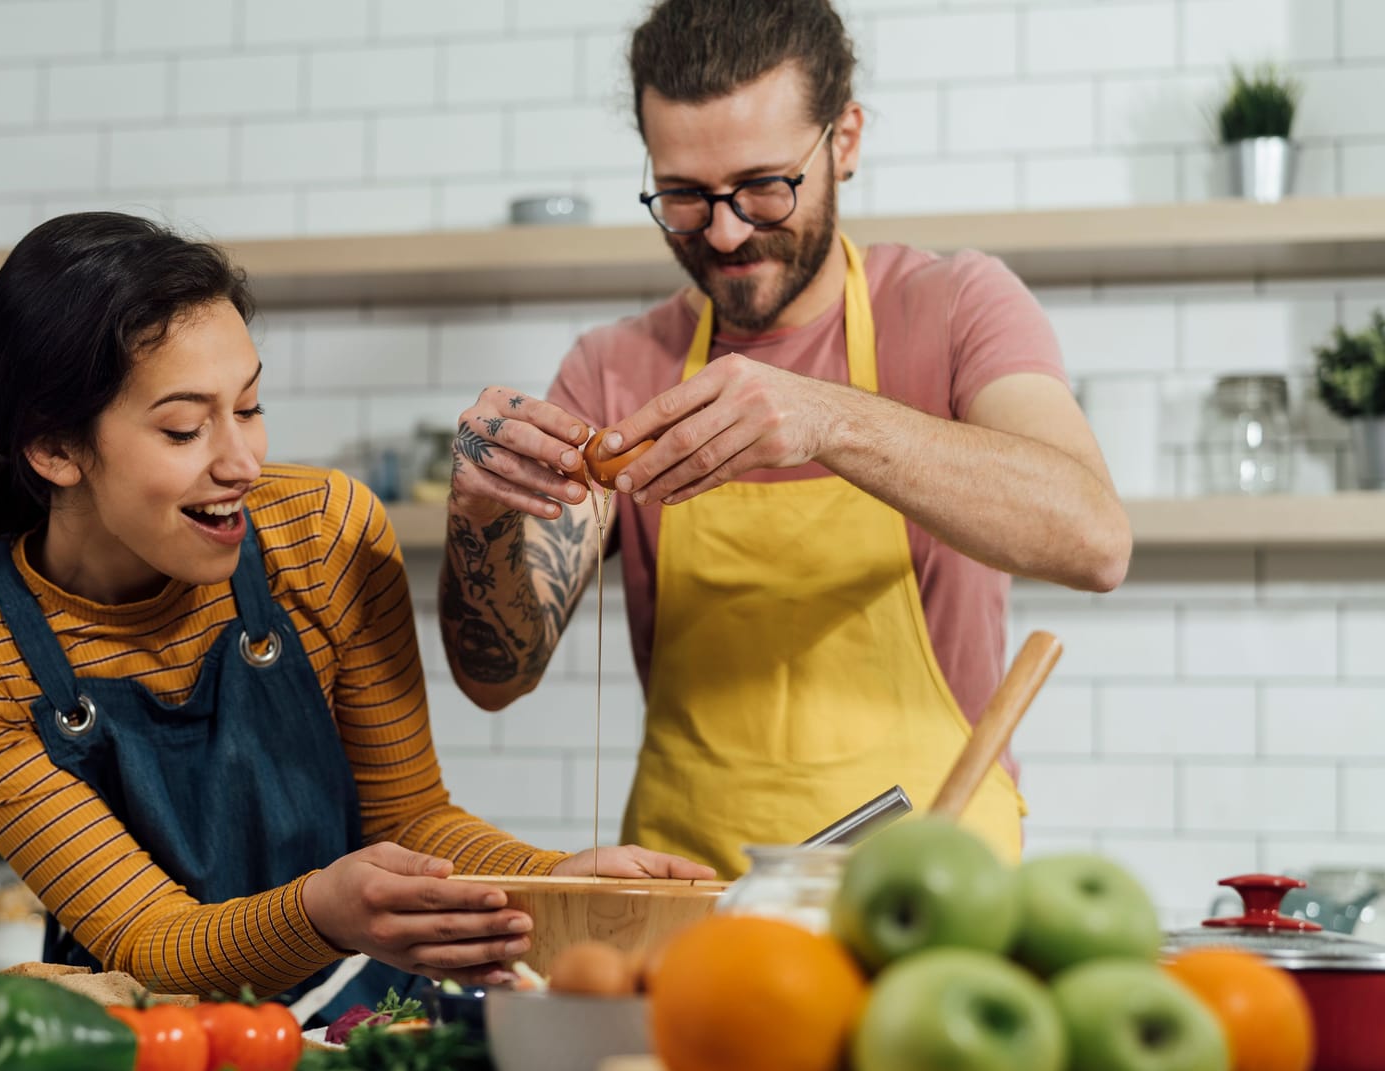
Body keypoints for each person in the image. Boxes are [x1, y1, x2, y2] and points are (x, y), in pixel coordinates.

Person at [0, 213, 707, 1023]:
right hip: (136, 1053)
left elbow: (410, 820)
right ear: (56, 450)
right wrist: (319, 912)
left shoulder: (322, 534)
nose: (242, 463)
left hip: (359, 1030)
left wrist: (554, 881)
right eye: (183, 428)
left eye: (248, 407)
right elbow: (145, 935)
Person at [438, 0, 1131, 872]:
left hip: (934, 902)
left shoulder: (956, 306)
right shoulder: (617, 367)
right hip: (691, 907)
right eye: (684, 196)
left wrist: (829, 419)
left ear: (844, 141)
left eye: (765, 187)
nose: (725, 231)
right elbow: (497, 675)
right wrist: (482, 517)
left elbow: (1094, 540)